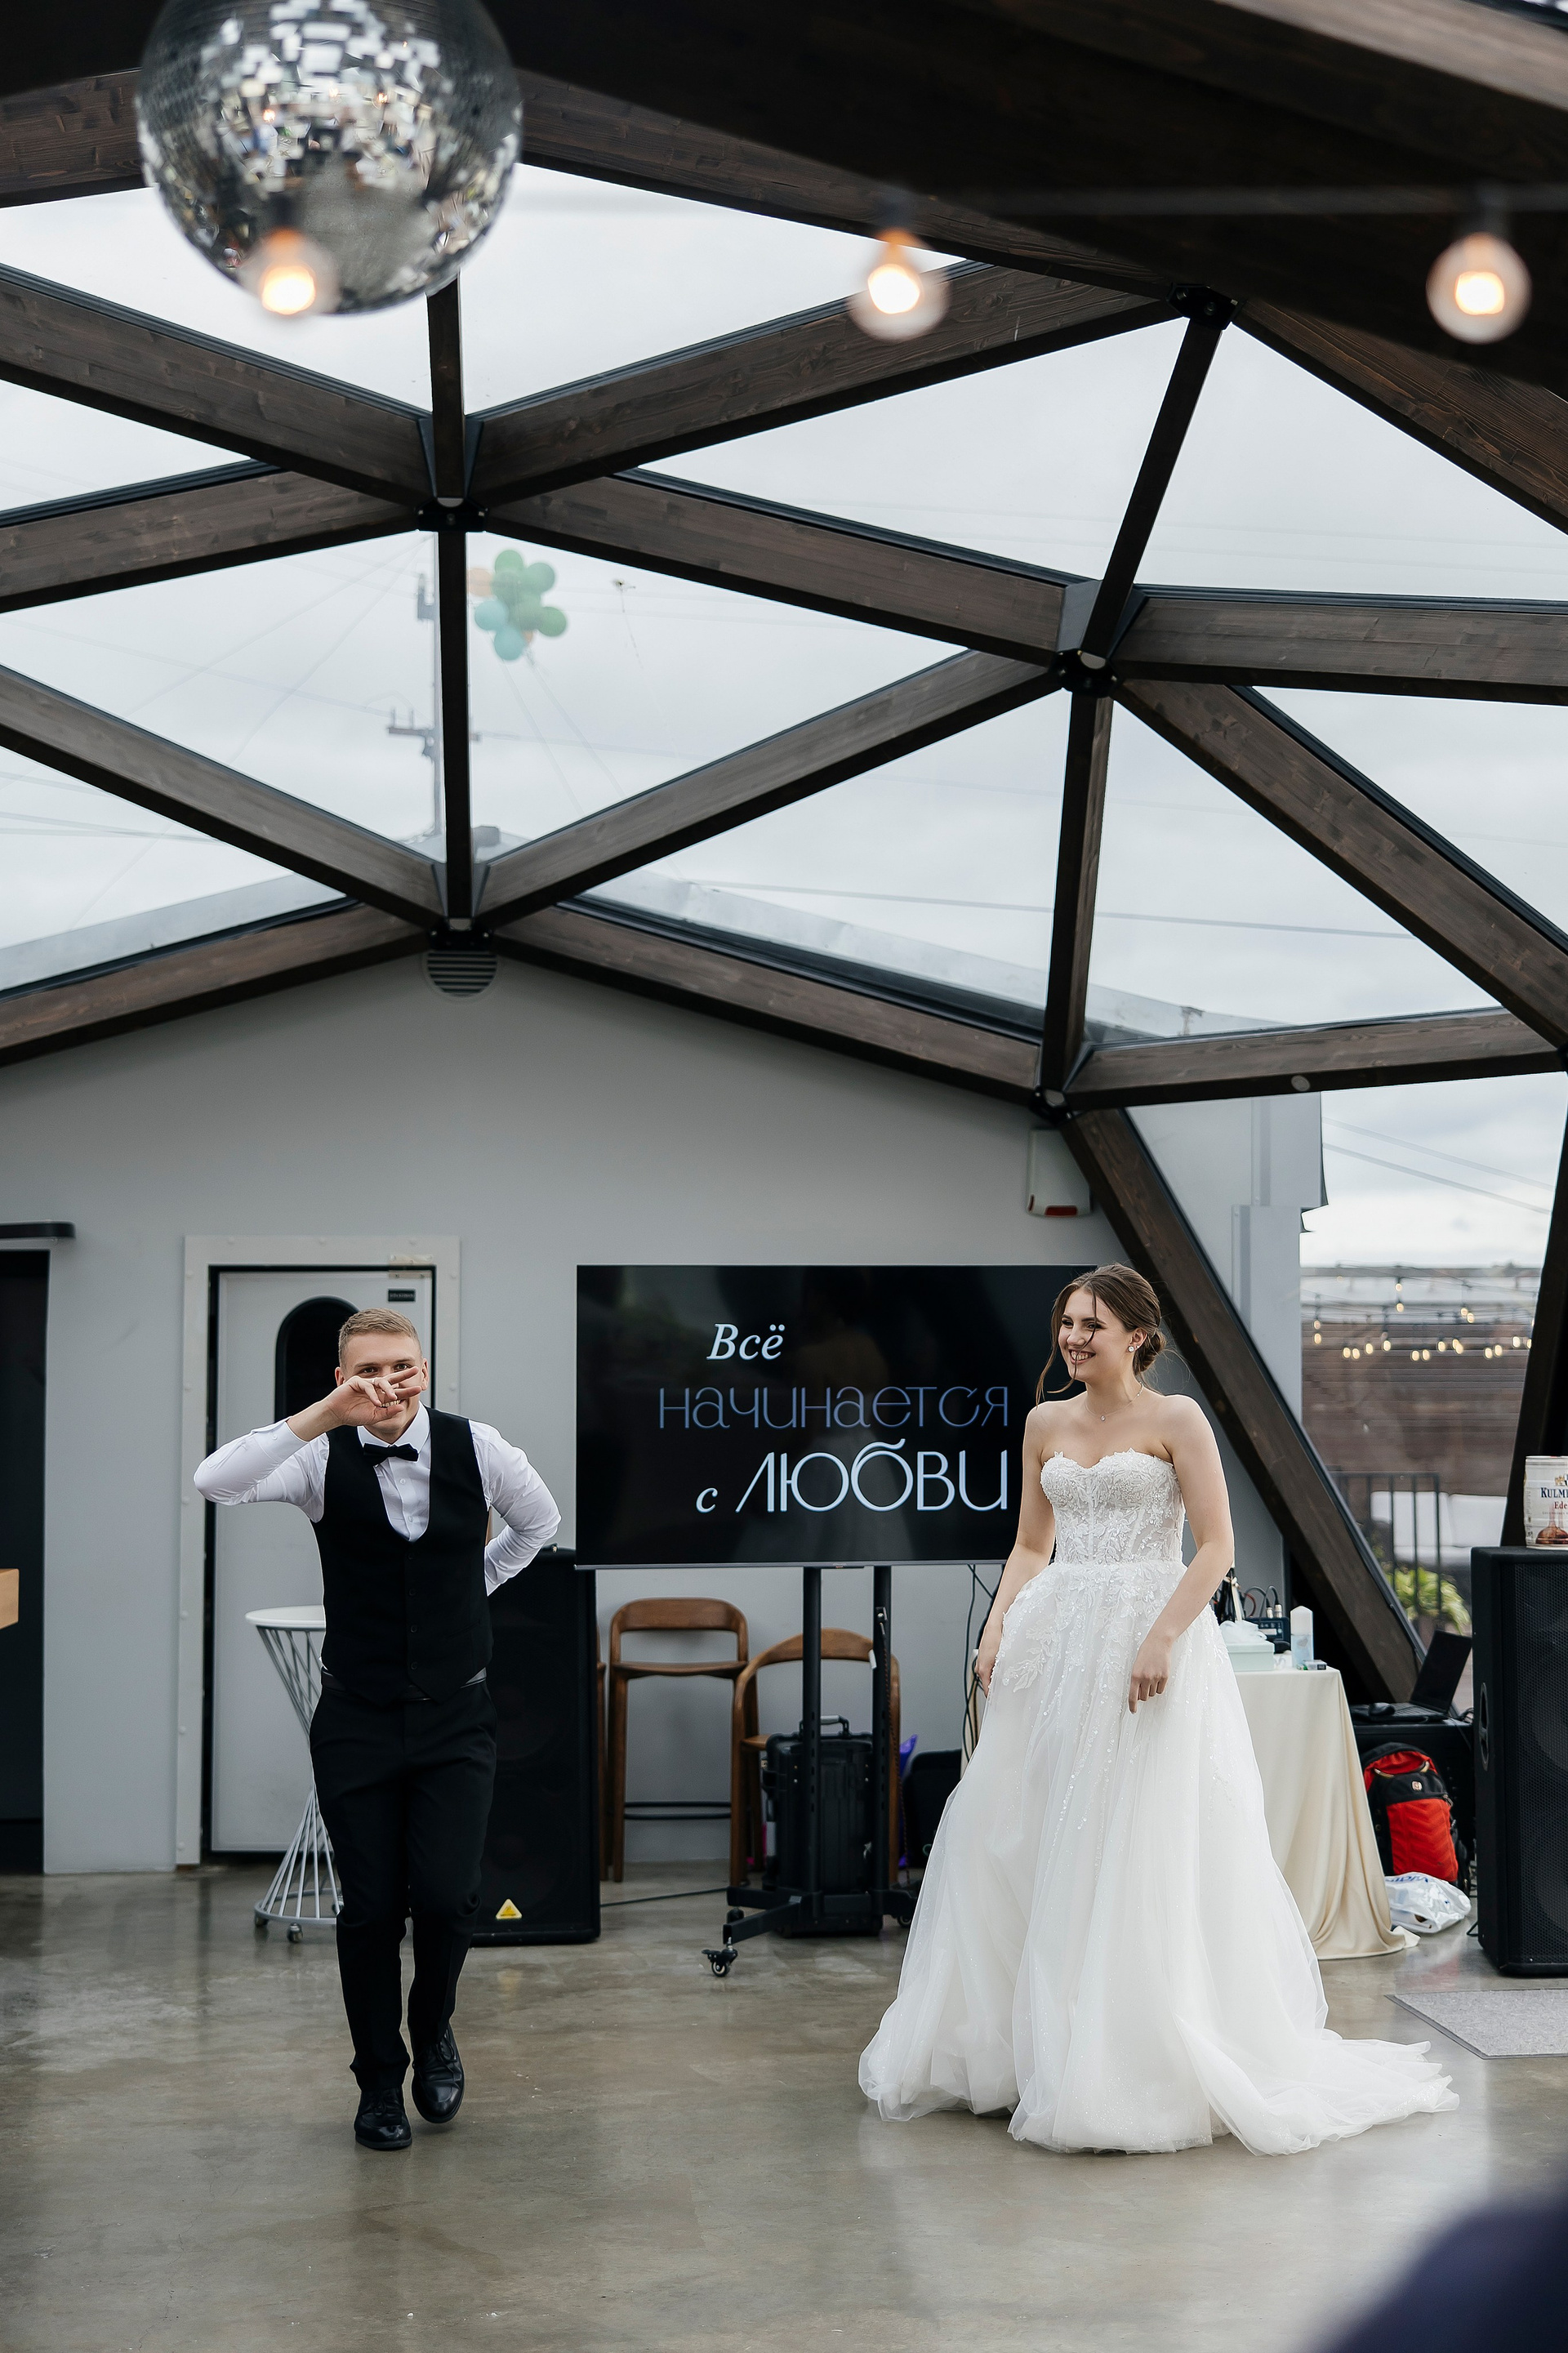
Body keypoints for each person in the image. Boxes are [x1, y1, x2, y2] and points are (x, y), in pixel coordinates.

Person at [859, 1264, 1455, 2155]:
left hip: (1152, 1634)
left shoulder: (1178, 1420)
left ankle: (1133, 2055)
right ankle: (1034, 2047)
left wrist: (1162, 1636)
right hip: (1060, 1638)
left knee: (1138, 1834)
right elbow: (1030, 1544)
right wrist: (996, 1629)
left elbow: (1215, 1546)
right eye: (1067, 1323)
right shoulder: (1044, 1422)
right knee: (1034, 1829)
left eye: (1091, 1325)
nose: (1073, 1338)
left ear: (1137, 1335)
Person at [195, 1308, 559, 2153]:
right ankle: (378, 2080)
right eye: (368, 1370)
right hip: (356, 1718)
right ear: (341, 1378)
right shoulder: (318, 1458)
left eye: (402, 1365)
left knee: (448, 1897)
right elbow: (216, 1481)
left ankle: (433, 2028)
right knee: (367, 1910)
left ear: (424, 1368)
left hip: (457, 1716)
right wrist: (326, 1416)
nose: (388, 1382)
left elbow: (539, 1524)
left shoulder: (480, 1447)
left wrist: (471, 1586)